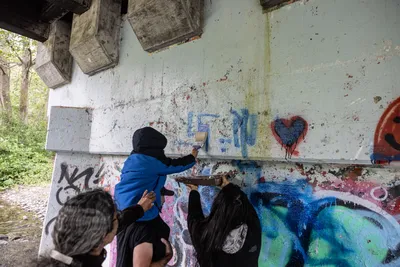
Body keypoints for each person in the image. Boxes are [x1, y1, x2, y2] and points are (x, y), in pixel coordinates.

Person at [115, 127, 198, 267]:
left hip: (124, 203)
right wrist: (192, 157)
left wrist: (160, 190)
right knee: (158, 230)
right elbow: (173, 166)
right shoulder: (151, 161)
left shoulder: (132, 158)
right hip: (139, 209)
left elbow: (141, 179)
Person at [34, 188, 172, 267]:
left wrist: (139, 209)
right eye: (115, 217)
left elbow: (120, 222)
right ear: (103, 235)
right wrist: (159, 264)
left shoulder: (60, 257)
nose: (118, 218)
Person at [187, 175, 262, 267]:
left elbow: (194, 218)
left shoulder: (205, 235)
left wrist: (194, 191)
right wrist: (228, 186)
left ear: (216, 208)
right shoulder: (252, 230)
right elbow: (249, 210)